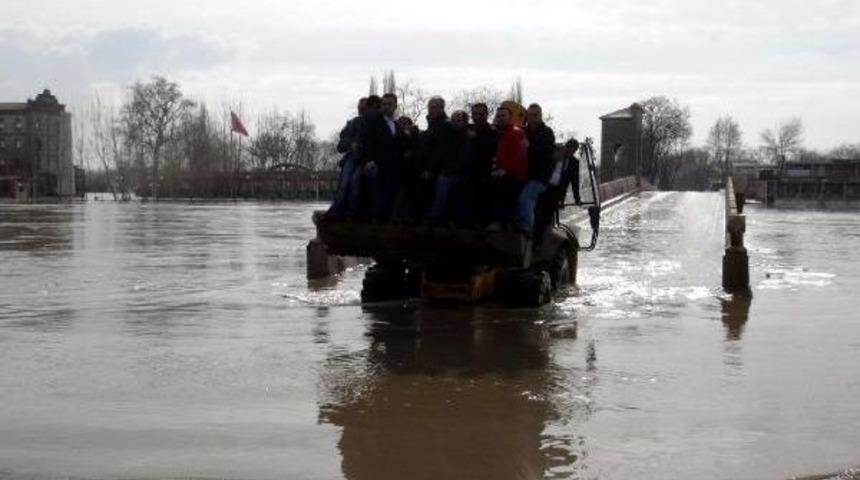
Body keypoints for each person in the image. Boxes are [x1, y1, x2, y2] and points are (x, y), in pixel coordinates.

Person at [348, 94, 402, 220]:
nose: (386, 107)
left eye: (389, 104)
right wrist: (367, 160)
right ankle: (368, 214)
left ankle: (387, 215)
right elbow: (364, 142)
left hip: (392, 165)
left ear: (395, 106)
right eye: (384, 104)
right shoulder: (372, 121)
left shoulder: (396, 125)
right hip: (374, 163)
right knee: (366, 178)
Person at [515, 103, 556, 237]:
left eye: (535, 115)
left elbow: (545, 154)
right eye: (530, 115)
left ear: (540, 116)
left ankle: (528, 232)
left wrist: (529, 146)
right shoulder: (523, 131)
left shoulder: (547, 133)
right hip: (523, 174)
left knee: (526, 198)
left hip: (540, 177)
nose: (532, 118)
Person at [428, 110, 473, 224]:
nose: (455, 123)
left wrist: (447, 171)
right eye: (453, 120)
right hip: (446, 171)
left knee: (443, 182)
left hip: (461, 174)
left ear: (464, 122)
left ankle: (436, 216)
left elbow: (463, 160)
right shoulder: (447, 135)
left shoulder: (467, 138)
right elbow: (439, 155)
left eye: (458, 120)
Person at [534, 138, 580, 242]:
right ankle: (538, 236)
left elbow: (575, 182)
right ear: (566, 147)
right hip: (545, 188)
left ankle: (542, 237)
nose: (570, 152)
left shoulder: (574, 163)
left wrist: (577, 198)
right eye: (569, 149)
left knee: (548, 215)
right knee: (540, 213)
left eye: (573, 151)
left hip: (558, 193)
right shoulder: (555, 155)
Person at [489, 106, 528, 229]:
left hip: (515, 174)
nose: (500, 118)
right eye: (498, 116)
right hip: (503, 171)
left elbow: (518, 157)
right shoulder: (501, 134)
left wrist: (504, 170)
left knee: (502, 187)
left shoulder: (516, 133)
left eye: (503, 116)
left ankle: (503, 223)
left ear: (510, 117)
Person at [327, 97, 367, 216]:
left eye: (364, 108)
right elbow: (340, 146)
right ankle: (339, 209)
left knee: (355, 180)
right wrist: (351, 144)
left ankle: (352, 210)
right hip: (352, 157)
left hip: (366, 158)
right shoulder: (352, 124)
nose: (362, 110)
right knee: (345, 182)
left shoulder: (375, 123)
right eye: (360, 108)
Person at [469, 103, 498, 225]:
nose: (477, 117)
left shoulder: (492, 132)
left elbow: (487, 154)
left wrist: (474, 140)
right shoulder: (469, 130)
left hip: (485, 170)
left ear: (486, 115)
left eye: (480, 114)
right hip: (468, 169)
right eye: (474, 114)